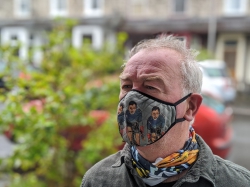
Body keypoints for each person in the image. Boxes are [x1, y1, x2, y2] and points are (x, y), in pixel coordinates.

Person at [81, 35, 250, 187]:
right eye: (126, 86)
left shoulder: (236, 183)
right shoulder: (98, 180)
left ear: (190, 106)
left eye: (150, 86)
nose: (132, 98)